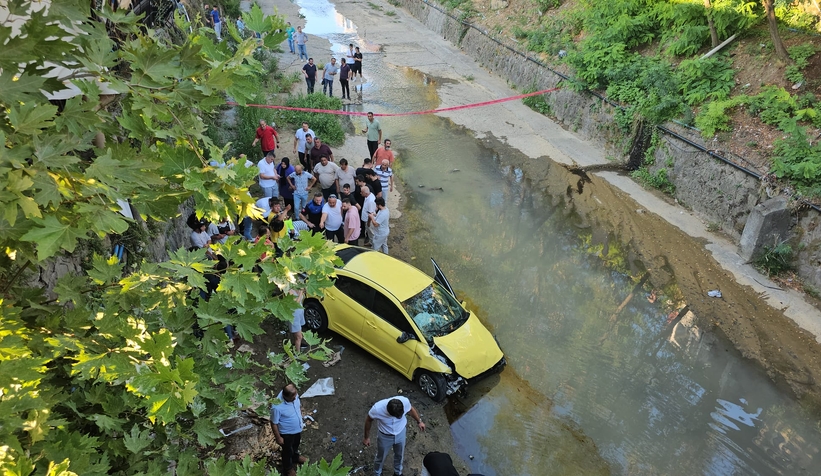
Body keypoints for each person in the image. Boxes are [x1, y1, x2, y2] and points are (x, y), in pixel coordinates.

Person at [363, 396, 425, 476]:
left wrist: (419, 421)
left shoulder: (404, 401)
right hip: (385, 437)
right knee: (380, 457)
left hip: (401, 433)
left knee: (399, 455)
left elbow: (411, 410)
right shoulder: (377, 409)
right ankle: (377, 473)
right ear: (389, 413)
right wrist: (366, 437)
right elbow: (368, 420)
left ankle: (398, 472)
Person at [271, 384, 307, 476]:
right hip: (287, 433)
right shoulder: (277, 407)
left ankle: (295, 457)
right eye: (293, 397)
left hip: (297, 429)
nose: (296, 398)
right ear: (285, 396)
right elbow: (274, 422)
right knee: (287, 451)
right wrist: (278, 437)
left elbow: (297, 405)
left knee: (295, 444)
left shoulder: (293, 395)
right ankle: (288, 468)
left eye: (296, 395)